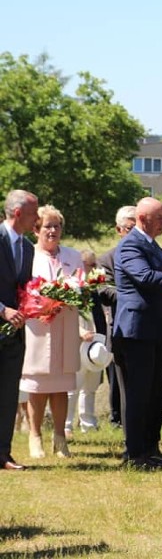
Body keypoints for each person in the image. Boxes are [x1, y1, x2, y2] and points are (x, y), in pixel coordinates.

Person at [114, 197, 162, 468]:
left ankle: (150, 447)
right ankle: (135, 453)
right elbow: (145, 277)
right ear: (143, 219)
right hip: (136, 332)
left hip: (155, 330)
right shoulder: (129, 246)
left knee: (155, 392)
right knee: (138, 393)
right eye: (159, 218)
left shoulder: (152, 245)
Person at [20, 205, 93, 459]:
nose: (52, 231)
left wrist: (75, 290)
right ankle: (35, 435)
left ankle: (60, 437)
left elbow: (82, 285)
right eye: (47, 226)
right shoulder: (28, 255)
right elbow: (24, 289)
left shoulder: (72, 255)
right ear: (36, 229)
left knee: (62, 383)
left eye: (56, 226)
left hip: (65, 323)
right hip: (38, 326)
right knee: (38, 383)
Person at [0, 190, 37, 471]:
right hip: (3, 318)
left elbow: (23, 288)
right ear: (17, 214)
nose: (36, 219)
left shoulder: (28, 248)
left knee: (8, 393)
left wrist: (37, 303)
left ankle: (3, 454)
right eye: (33, 213)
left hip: (15, 333)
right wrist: (2, 310)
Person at [98, 205, 136, 428]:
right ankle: (122, 427)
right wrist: (133, 295)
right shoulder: (107, 259)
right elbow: (103, 291)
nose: (134, 233)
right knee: (123, 386)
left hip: (152, 330)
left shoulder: (153, 252)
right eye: (129, 228)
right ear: (118, 230)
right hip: (121, 327)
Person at [65, 250, 108, 436]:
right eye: (90, 265)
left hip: (95, 342)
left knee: (90, 387)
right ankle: (66, 425)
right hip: (79, 341)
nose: (93, 268)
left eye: (94, 265)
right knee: (73, 387)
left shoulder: (93, 288)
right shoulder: (71, 287)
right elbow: (66, 315)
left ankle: (88, 423)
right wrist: (80, 331)